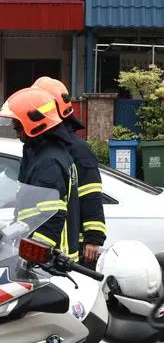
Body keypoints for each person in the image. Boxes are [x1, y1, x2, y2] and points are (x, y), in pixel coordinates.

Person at [0, 87, 80, 260]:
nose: (16, 131)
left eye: (18, 126)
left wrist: (36, 255)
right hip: (40, 250)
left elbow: (51, 215)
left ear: (34, 124)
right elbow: (31, 204)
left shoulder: (49, 161)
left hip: (51, 257)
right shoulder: (42, 153)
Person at [32, 76, 105, 266]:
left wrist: (93, 238)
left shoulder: (77, 149)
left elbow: (91, 194)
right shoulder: (44, 147)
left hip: (73, 244)